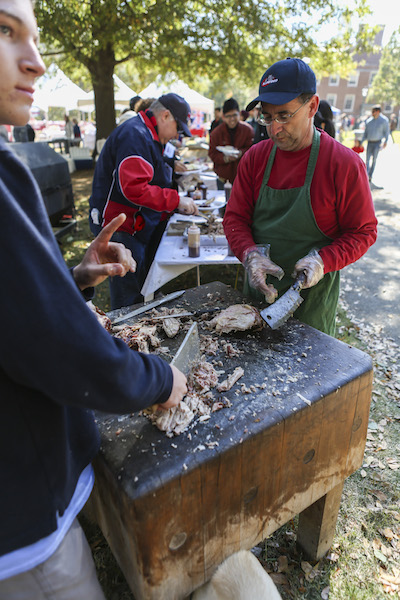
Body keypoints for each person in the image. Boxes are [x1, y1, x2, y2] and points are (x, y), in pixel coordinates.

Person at [0, 1, 187, 597]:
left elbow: (15, 306)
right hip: (21, 513)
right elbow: (61, 350)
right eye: (5, 32)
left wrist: (73, 278)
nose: (35, 62)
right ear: (158, 119)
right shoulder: (130, 136)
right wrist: (160, 380)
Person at [223, 58, 377, 336]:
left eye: (284, 116)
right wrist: (249, 255)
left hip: (311, 305)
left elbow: (363, 231)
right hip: (256, 299)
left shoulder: (343, 165)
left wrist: (324, 260)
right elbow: (235, 218)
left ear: (312, 107)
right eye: (267, 117)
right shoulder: (254, 159)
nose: (274, 129)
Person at [89, 92, 199, 309]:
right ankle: (124, 338)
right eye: (178, 128)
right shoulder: (136, 135)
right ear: (165, 116)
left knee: (140, 287)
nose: (177, 136)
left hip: (132, 224)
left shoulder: (144, 132)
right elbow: (134, 188)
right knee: (127, 298)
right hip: (120, 226)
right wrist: (175, 200)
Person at [208, 98, 254, 189]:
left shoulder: (248, 130)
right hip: (223, 179)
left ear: (239, 114)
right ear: (223, 117)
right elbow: (212, 153)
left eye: (234, 115)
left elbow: (252, 149)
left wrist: (241, 153)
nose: (232, 119)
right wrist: (225, 158)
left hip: (244, 178)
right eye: (228, 116)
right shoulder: (216, 133)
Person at [361, 105, 389, 183]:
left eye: (373, 112)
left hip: (377, 142)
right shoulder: (369, 121)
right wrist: (361, 142)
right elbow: (365, 133)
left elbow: (386, 132)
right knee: (367, 159)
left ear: (378, 112)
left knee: (374, 160)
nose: (372, 113)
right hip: (370, 142)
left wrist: (386, 141)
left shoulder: (384, 121)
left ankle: (370, 175)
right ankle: (366, 174)